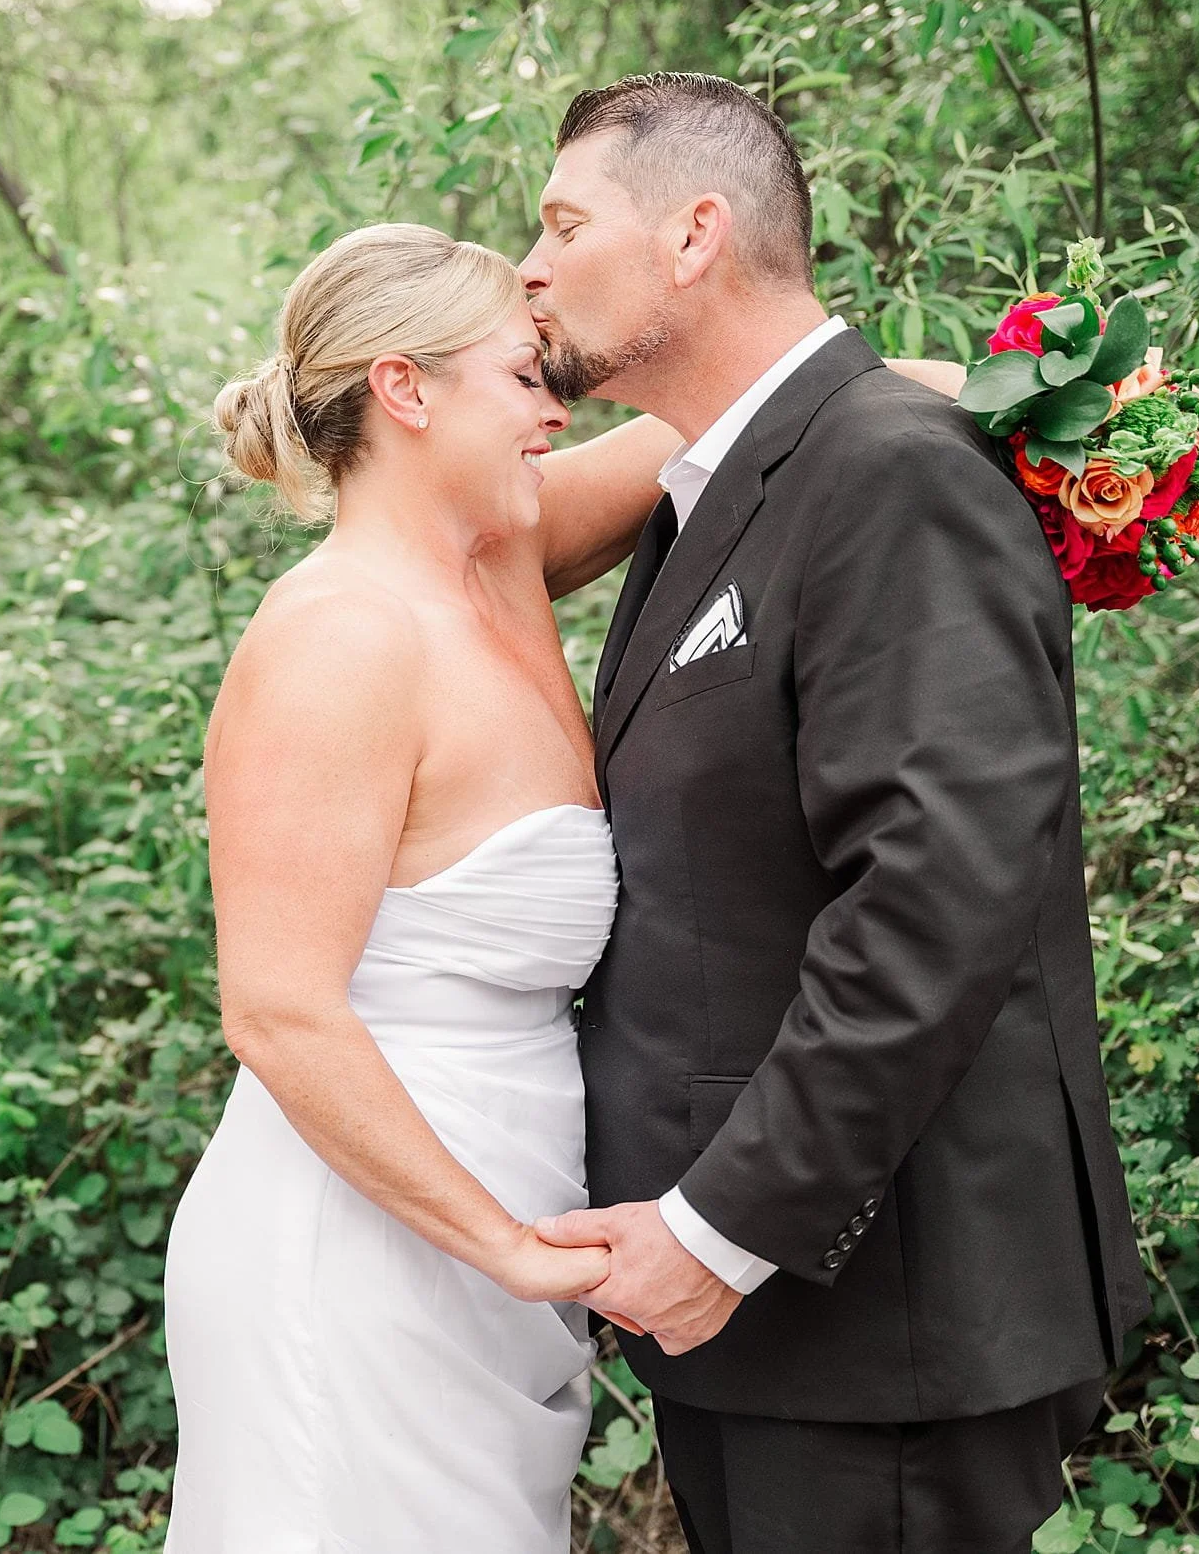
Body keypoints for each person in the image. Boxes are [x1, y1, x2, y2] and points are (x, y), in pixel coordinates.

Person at [158, 215, 972, 1550]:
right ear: (405, 389)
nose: (558, 406)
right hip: (363, 1247)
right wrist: (504, 1243)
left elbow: (780, 404)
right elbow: (278, 1010)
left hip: (502, 1242)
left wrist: (1068, 413)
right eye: (525, 376)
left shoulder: (507, 564)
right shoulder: (335, 636)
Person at [522, 72, 1149, 1554]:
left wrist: (720, 1223)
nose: (531, 268)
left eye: (561, 224)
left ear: (694, 235)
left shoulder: (889, 472)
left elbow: (939, 889)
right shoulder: (723, 485)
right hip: (783, 1331)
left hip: (884, 1310)